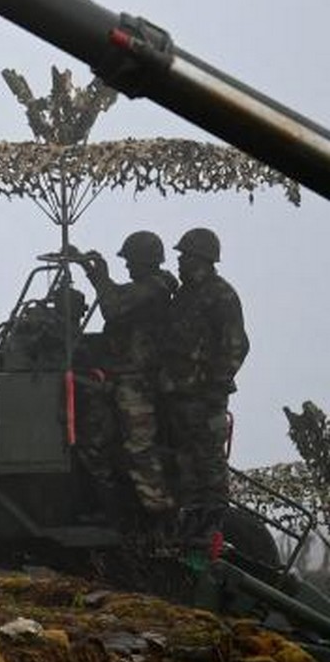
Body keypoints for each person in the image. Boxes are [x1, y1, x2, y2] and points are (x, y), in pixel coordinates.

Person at [71, 231, 177, 533]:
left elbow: (113, 307)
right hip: (122, 379)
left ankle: (161, 517)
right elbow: (117, 297)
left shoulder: (156, 288)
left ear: (146, 262)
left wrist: (101, 276)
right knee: (95, 444)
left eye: (131, 261)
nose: (128, 267)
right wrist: (93, 273)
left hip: (139, 383)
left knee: (139, 448)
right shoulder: (144, 288)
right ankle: (112, 511)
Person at [158, 227, 249, 543]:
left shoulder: (221, 295)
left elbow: (237, 345)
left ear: (201, 258)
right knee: (185, 459)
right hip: (179, 395)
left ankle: (213, 520)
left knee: (210, 458)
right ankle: (193, 516)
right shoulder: (184, 295)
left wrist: (217, 385)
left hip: (205, 396)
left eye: (185, 255)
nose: (179, 261)